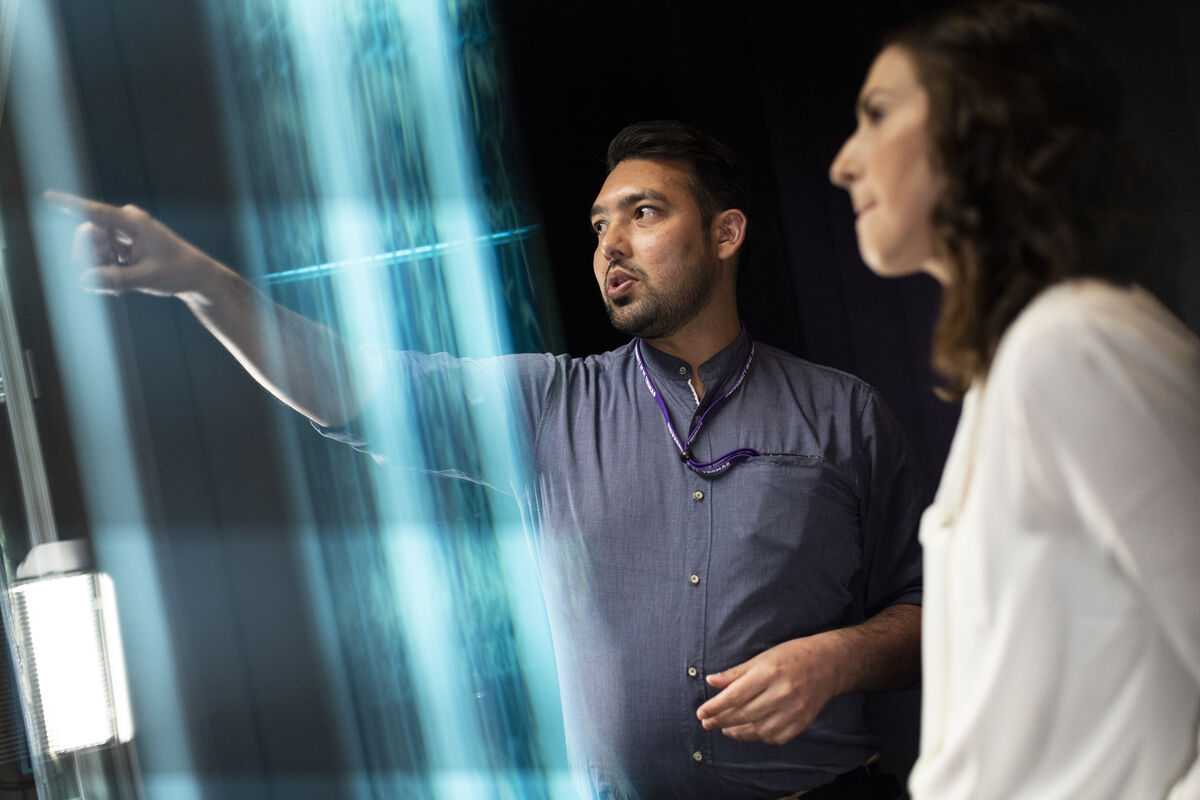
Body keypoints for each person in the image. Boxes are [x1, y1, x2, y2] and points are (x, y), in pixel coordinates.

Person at [55, 120, 924, 798]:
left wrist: (836, 659)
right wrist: (202, 280)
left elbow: (933, 618)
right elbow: (351, 390)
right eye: (597, 225)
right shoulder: (550, 404)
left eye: (644, 213)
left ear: (727, 232)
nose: (609, 244)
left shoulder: (844, 415)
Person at [829, 2, 1200, 798]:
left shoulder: (1076, 343)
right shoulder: (1014, 366)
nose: (844, 162)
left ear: (979, 127)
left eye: (879, 115)